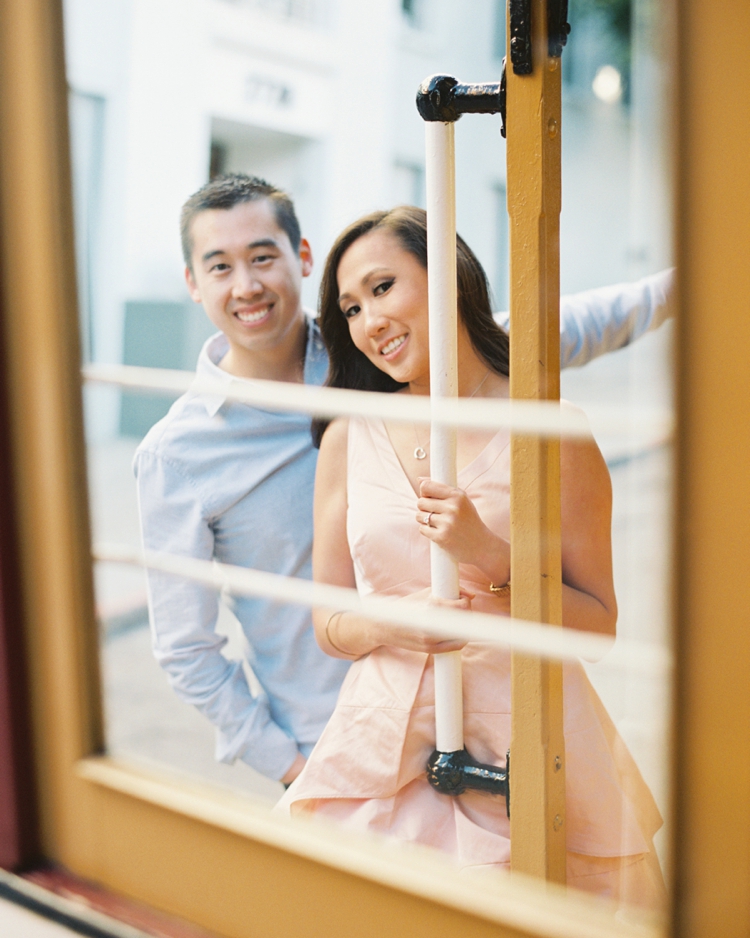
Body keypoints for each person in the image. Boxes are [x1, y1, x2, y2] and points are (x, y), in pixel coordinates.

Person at [135, 174, 674, 787]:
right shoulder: (177, 456)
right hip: (339, 740)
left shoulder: (389, 357)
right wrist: (294, 767)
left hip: (492, 728)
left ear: (301, 257)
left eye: (263, 257)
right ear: (192, 284)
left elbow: (550, 329)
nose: (248, 284)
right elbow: (186, 648)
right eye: (220, 266)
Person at [278, 206, 666, 911]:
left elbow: (598, 625)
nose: (369, 320)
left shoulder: (551, 433)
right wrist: (394, 625)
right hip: (383, 753)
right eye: (351, 307)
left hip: (530, 749)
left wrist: (489, 556)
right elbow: (329, 620)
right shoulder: (348, 435)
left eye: (384, 286)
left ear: (450, 278)